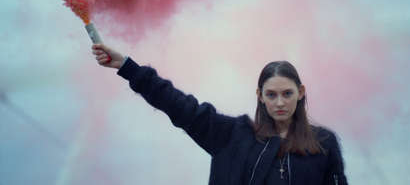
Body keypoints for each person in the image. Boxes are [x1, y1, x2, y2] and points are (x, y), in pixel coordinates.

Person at [92, 44, 348, 185]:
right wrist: (128, 67)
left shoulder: (323, 143)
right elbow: (179, 106)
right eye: (271, 95)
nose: (279, 102)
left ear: (300, 92)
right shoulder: (232, 135)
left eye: (287, 94)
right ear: (259, 95)